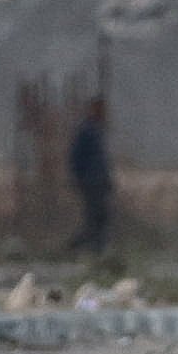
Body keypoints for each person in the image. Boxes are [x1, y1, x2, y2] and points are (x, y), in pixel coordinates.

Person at [66, 99, 113, 255]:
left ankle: (97, 251)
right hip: (90, 182)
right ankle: (76, 247)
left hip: (99, 182)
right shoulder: (86, 130)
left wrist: (107, 181)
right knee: (94, 220)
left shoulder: (97, 130)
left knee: (101, 218)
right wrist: (80, 178)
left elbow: (102, 161)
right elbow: (76, 157)